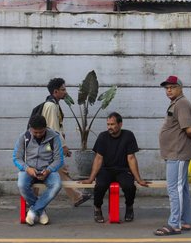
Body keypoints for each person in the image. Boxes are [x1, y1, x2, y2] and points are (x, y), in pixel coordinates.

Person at [154, 75, 191, 236]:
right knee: (181, 189)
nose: (169, 90)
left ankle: (174, 224)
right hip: (175, 152)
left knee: (175, 189)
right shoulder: (177, 103)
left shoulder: (181, 104)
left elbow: (188, 128)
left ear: (180, 88)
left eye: (172, 87)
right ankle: (185, 221)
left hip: (178, 153)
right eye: (167, 88)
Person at [81, 112, 148, 223]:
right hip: (106, 169)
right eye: (108, 124)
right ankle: (97, 208)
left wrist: (139, 179)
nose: (109, 127)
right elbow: (98, 158)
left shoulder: (128, 135)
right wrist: (90, 178)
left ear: (120, 124)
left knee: (129, 186)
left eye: (112, 124)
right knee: (100, 186)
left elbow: (131, 158)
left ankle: (129, 207)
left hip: (123, 170)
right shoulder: (103, 136)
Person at [42, 77, 91, 207]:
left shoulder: (53, 104)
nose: (65, 92)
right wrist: (63, 146)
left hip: (49, 145)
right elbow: (53, 129)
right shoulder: (51, 106)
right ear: (55, 91)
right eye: (63, 90)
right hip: (49, 146)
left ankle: (77, 197)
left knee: (60, 170)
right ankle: (32, 202)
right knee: (58, 169)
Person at [13, 114, 63, 226]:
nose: (38, 134)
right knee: (21, 185)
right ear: (30, 128)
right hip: (29, 170)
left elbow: (59, 160)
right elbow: (16, 158)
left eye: (41, 132)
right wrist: (27, 168)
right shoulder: (23, 137)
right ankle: (41, 211)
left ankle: (34, 211)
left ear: (46, 127)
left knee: (57, 185)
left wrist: (49, 170)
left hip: (48, 171)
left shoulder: (54, 137)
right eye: (35, 132)